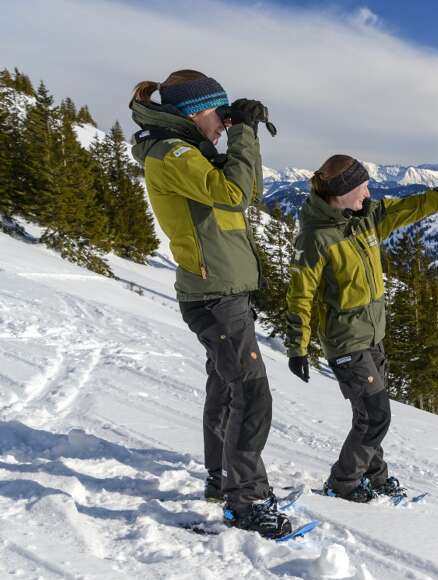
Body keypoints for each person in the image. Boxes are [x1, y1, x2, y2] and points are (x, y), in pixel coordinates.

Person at [129, 70, 291, 538]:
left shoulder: (187, 152)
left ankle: (224, 481)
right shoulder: (172, 153)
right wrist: (244, 130)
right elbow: (236, 193)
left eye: (226, 118)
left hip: (223, 291)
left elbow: (239, 192)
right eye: (217, 116)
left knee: (226, 387)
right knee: (251, 392)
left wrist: (241, 133)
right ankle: (247, 500)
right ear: (193, 113)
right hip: (214, 295)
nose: (222, 125)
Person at [286, 154, 438, 502]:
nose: (368, 194)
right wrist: (298, 347)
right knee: (376, 415)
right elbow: (300, 294)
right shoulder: (315, 238)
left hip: (373, 336)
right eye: (362, 187)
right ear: (341, 192)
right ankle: (343, 483)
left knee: (369, 414)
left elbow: (418, 205)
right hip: (346, 342)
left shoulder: (366, 219)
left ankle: (375, 474)